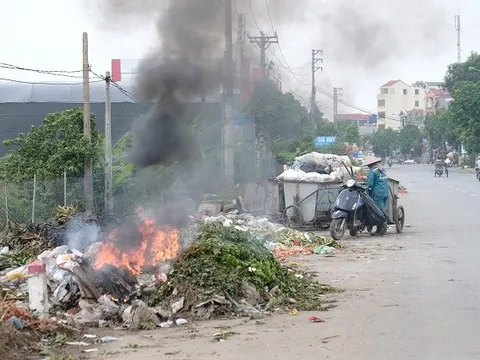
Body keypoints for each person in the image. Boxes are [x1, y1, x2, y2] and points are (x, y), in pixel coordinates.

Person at [364, 156, 389, 236]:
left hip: (377, 194)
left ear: (370, 165)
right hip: (385, 193)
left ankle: (383, 228)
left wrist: (368, 191)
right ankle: (379, 229)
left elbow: (370, 184)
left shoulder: (373, 171)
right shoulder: (382, 170)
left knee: (380, 211)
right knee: (380, 210)